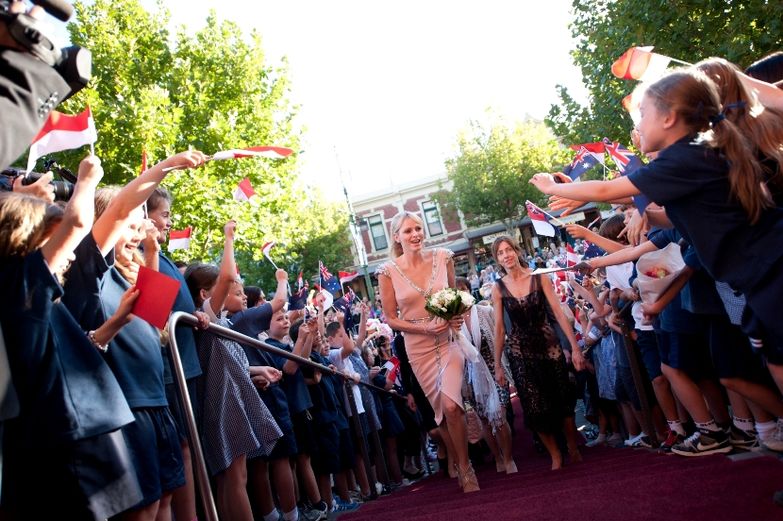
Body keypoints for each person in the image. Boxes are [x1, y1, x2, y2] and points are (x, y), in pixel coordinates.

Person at [530, 68, 783, 360]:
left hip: (769, 271)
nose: (638, 125)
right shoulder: (691, 156)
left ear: (669, 118)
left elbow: (605, 191)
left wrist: (550, 187)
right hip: (758, 275)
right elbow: (665, 215)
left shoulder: (682, 157)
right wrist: (579, 192)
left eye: (643, 114)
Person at [0, 157, 142, 520]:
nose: (67, 255)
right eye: (51, 238)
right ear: (27, 241)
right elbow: (78, 222)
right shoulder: (19, 282)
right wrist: (87, 181)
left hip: (73, 430)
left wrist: (115, 323)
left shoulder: (30, 292)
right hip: (71, 436)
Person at [376, 211, 479, 493]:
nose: (415, 235)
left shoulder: (443, 256)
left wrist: (455, 317)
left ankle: (466, 467)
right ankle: (457, 461)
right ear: (397, 237)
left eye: (419, 228)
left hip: (448, 339)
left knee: (451, 405)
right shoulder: (387, 272)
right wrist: (423, 330)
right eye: (408, 231)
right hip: (417, 346)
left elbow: (454, 297)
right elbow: (390, 318)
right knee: (440, 413)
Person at [491, 235, 585, 470]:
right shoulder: (498, 287)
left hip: (548, 345)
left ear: (516, 251)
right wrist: (498, 365)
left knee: (562, 400)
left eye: (509, 249)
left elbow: (559, 313)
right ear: (497, 259)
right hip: (519, 352)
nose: (506, 255)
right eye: (501, 253)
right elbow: (499, 329)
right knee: (534, 406)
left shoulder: (539, 277)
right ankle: (555, 454)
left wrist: (574, 347)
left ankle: (572, 446)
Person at [455, 277, 516, 474]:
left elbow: (500, 338)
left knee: (500, 416)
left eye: (463, 289)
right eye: (456, 291)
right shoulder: (452, 322)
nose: (461, 293)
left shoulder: (485, 311)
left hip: (494, 368)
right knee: (485, 421)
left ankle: (508, 458)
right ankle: (497, 457)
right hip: (472, 376)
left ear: (469, 290)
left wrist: (501, 366)